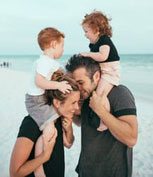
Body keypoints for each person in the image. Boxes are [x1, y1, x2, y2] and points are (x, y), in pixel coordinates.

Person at [66, 54, 138, 177]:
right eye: (75, 83)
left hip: (112, 172)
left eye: (80, 82)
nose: (78, 88)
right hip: (85, 170)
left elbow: (131, 139)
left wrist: (101, 111)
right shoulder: (84, 96)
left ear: (96, 76)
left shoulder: (120, 93)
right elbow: (81, 122)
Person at [10, 73, 80, 177]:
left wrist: (69, 129)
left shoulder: (59, 119)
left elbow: (69, 144)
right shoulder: (32, 123)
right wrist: (44, 156)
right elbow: (15, 173)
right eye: (73, 103)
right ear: (57, 103)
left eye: (78, 102)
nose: (77, 107)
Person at [25, 27, 72, 176]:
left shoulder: (47, 61)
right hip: (36, 102)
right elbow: (39, 81)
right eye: (62, 45)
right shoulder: (44, 62)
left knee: (50, 129)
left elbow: (60, 72)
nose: (63, 49)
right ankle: (39, 169)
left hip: (39, 100)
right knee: (50, 130)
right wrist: (59, 85)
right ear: (53, 44)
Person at [81, 10, 120, 131]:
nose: (85, 35)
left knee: (100, 95)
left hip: (110, 73)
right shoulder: (93, 44)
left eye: (86, 31)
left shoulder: (104, 40)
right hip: (103, 71)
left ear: (96, 29)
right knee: (94, 93)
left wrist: (88, 54)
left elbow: (103, 56)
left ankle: (105, 121)